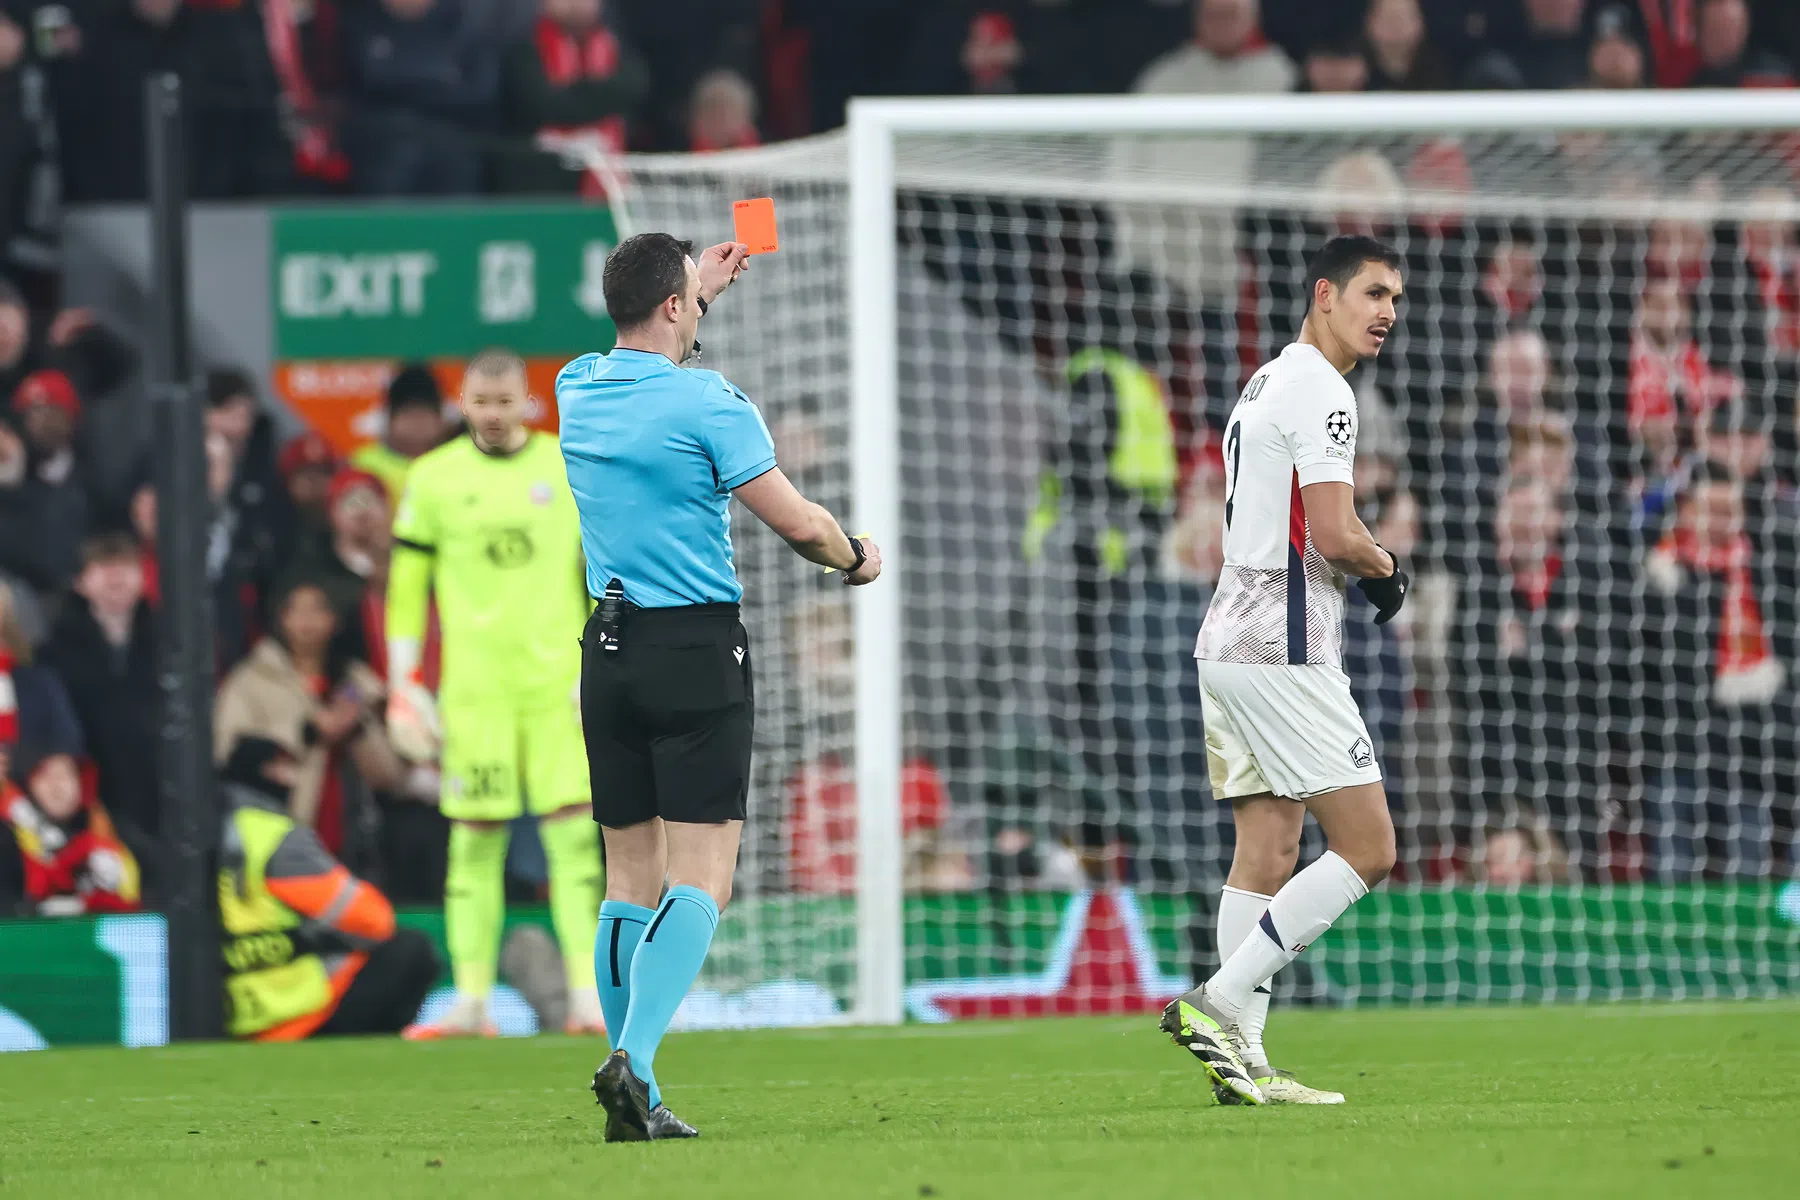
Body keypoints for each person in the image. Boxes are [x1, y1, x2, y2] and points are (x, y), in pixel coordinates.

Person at [559, 232, 881, 1141]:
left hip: (606, 650)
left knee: (628, 880)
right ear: (675, 307)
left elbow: (648, 344)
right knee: (702, 878)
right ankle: (635, 1061)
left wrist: (696, 287)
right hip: (693, 648)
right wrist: (855, 556)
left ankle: (638, 1092)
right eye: (689, 300)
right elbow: (799, 527)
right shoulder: (710, 401)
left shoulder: (575, 387)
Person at [1162, 236, 1407, 1106]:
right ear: (1325, 294)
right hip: (1284, 645)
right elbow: (1334, 533)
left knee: (1266, 848)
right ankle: (1218, 1002)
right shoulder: (1325, 390)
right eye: (1373, 293)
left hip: (1227, 640)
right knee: (1370, 847)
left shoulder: (1265, 381)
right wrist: (1387, 569)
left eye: (1395, 299)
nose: (1386, 312)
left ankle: (1246, 1062)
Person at [384, 348, 605, 1039]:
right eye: (481, 403)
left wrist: (596, 661)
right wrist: (401, 683)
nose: (493, 415)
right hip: (476, 692)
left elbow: (600, 572)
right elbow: (407, 588)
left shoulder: (566, 468)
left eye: (505, 402)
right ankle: (472, 1001)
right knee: (474, 843)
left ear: (528, 403)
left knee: (574, 839)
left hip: (555, 687)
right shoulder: (433, 478)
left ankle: (586, 996)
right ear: (463, 403)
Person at [217, 735, 440, 1040]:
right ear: (267, 772)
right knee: (410, 950)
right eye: (284, 768)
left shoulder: (201, 833)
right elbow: (374, 920)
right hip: (300, 1013)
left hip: (227, 1017)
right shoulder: (273, 836)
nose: (293, 779)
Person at [214, 578, 405, 859]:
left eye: (318, 610)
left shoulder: (357, 682)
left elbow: (391, 776)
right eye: (297, 611)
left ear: (335, 619)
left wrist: (356, 729)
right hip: (277, 839)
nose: (308, 621)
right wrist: (307, 731)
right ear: (281, 618)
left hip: (355, 842)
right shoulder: (251, 680)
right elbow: (223, 751)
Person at [39, 532, 163, 896]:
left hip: (159, 795)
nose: (116, 576)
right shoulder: (55, 651)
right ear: (80, 582)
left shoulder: (170, 644)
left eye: (125, 565)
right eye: (103, 566)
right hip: (92, 799)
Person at [351, 362, 449, 506]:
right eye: (409, 414)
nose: (417, 423)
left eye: (424, 414)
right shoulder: (364, 465)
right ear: (390, 419)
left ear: (441, 420)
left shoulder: (454, 463)